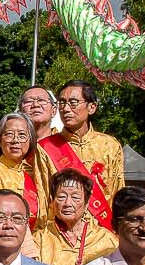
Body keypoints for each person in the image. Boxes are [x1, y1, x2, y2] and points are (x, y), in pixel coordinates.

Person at [39, 80, 124, 229]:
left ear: (92, 107)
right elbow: (43, 197)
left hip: (103, 233)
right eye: (62, 103)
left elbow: (118, 192)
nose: (65, 109)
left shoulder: (110, 146)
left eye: (73, 102)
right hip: (60, 234)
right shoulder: (45, 147)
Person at [34, 169, 119, 265]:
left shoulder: (106, 239)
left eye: (75, 197)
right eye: (61, 197)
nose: (68, 203)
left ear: (87, 203)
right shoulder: (39, 240)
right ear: (53, 202)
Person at [0, 110, 46, 221]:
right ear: (0, 141)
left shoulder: (35, 172)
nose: (15, 140)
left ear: (30, 141)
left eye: (22, 135)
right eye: (9, 134)